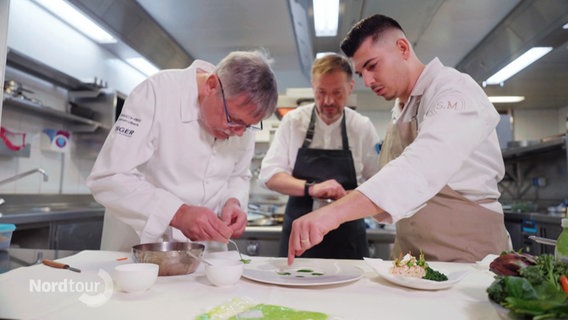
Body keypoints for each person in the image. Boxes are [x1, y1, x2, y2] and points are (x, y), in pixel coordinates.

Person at [287, 14, 511, 264]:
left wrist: (332, 214)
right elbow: (394, 187)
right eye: (362, 73)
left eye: (372, 65)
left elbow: (420, 168)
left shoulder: (454, 91)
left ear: (402, 48)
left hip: (467, 257)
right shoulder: (401, 108)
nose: (368, 81)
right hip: (412, 258)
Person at [87, 50, 278, 252]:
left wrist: (233, 202)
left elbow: (238, 175)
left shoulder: (241, 118)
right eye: (234, 121)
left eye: (248, 126)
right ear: (211, 85)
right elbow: (108, 176)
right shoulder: (157, 93)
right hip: (140, 252)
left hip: (206, 256)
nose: (240, 133)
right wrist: (178, 213)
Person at [259, 53, 380, 259]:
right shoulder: (293, 122)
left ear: (350, 88)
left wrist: (347, 195)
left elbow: (379, 184)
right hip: (299, 238)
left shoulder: (362, 127)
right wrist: (312, 188)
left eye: (337, 92)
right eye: (321, 92)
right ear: (313, 86)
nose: (328, 100)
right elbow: (269, 176)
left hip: (348, 237)